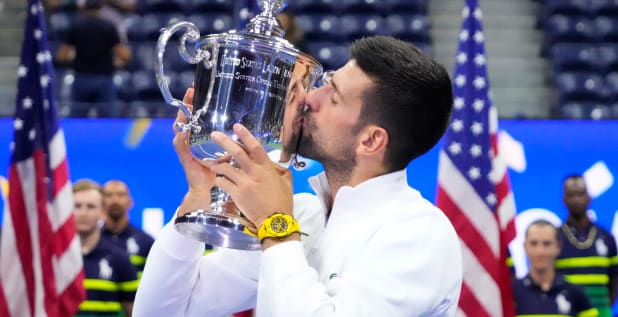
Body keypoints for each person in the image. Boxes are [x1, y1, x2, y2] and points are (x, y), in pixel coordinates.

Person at [133, 35, 463, 316]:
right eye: (324, 82)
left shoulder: (419, 234)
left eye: (332, 96)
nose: (308, 98)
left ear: (371, 140)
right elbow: (167, 310)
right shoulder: (303, 214)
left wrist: (276, 226)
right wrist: (199, 198)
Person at [56, 0, 130, 117]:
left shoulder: (76, 26)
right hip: (104, 79)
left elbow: (62, 55)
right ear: (101, 7)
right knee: (107, 121)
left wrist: (77, 58)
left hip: (81, 78)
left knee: (78, 121)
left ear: (84, 7)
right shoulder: (108, 26)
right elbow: (124, 56)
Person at [73, 179, 138, 316]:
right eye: (77, 206)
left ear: (103, 211)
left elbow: (135, 313)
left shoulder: (120, 259)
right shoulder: (53, 260)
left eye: (90, 206)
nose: (83, 213)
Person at [556, 175, 618, 317]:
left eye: (580, 194)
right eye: (571, 195)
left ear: (589, 198)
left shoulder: (607, 237)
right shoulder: (555, 238)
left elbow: (614, 281)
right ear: (564, 200)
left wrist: (603, 309)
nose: (576, 200)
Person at [512, 219, 598, 317]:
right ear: (525, 247)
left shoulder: (575, 293)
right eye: (533, 243)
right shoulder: (512, 293)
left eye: (547, 244)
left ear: (558, 247)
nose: (540, 251)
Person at [102, 179, 154, 279]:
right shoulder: (93, 241)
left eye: (120, 195)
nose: (115, 200)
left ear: (130, 202)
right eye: (108, 195)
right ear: (100, 202)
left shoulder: (146, 242)